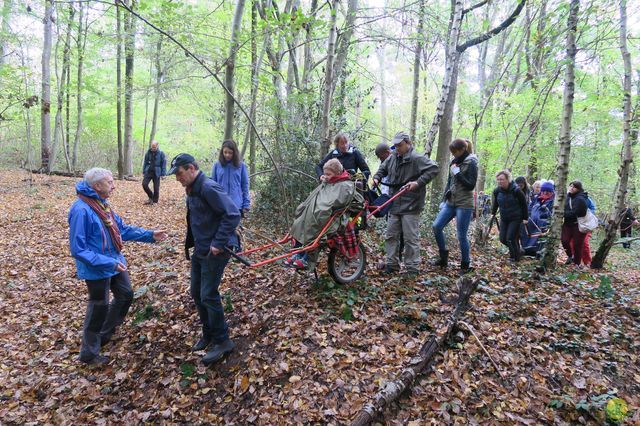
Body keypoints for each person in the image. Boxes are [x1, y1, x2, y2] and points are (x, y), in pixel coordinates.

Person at [69, 168, 167, 365]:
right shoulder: (81, 210)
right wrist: (108, 263)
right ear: (97, 186)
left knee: (125, 295)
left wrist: (150, 235)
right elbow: (78, 249)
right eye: (110, 182)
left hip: (115, 262)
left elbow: (121, 229)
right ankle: (88, 354)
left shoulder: (101, 204)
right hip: (97, 267)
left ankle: (104, 335)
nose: (114, 185)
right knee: (99, 306)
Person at [169, 153, 241, 366]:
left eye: (179, 174)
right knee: (196, 292)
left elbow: (232, 214)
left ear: (191, 168)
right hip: (201, 249)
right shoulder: (191, 189)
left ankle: (223, 341)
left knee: (208, 294)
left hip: (216, 249)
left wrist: (218, 243)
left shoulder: (208, 187)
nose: (177, 179)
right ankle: (209, 333)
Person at [373, 131, 439, 276]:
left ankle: (412, 268)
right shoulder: (392, 158)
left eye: (400, 145)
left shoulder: (417, 158)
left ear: (408, 144)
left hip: (411, 203)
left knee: (410, 238)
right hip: (394, 202)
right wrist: (377, 178)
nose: (397, 148)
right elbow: (383, 168)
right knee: (391, 235)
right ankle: (392, 265)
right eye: (395, 145)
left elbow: (434, 169)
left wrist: (418, 183)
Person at [285, 159, 364, 270]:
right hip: (317, 212)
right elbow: (321, 195)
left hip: (332, 217)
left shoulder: (345, 185)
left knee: (313, 226)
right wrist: (325, 181)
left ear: (337, 173)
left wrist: (322, 206)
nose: (325, 176)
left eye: (328, 174)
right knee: (300, 222)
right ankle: (298, 253)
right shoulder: (331, 181)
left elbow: (336, 202)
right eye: (324, 173)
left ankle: (307, 258)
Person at [431, 138, 478, 273]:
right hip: (450, 202)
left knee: (461, 235)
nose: (453, 154)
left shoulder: (472, 162)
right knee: (436, 226)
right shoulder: (454, 162)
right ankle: (443, 257)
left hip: (464, 203)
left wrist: (458, 174)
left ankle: (465, 265)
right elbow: (449, 182)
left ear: (463, 149)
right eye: (452, 152)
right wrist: (443, 199)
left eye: (455, 151)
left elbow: (471, 185)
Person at [491, 170, 529, 262]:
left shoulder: (516, 190)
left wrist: (525, 218)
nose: (500, 181)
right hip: (504, 218)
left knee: (510, 238)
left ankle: (515, 258)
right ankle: (518, 251)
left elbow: (524, 204)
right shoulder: (497, 191)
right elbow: (496, 203)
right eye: (498, 179)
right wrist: (493, 213)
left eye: (502, 179)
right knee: (503, 239)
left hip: (516, 218)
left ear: (508, 179)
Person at [211, 139, 250, 217]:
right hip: (221, 204)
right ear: (222, 152)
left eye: (230, 153)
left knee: (234, 228)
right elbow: (213, 186)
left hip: (236, 205)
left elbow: (245, 185)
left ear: (234, 153)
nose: (227, 155)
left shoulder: (241, 166)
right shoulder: (217, 165)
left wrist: (246, 204)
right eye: (225, 152)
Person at [521, 181, 555, 257]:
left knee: (538, 239)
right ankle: (526, 250)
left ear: (552, 192)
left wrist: (546, 213)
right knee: (526, 235)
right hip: (531, 222)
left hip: (543, 225)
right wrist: (527, 216)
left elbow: (553, 215)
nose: (545, 193)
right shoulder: (536, 198)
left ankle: (536, 253)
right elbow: (529, 208)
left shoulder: (553, 201)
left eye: (548, 191)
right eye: (544, 191)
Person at [561, 180, 589, 266]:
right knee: (564, 240)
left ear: (578, 188)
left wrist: (563, 214)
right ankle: (570, 256)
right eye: (571, 186)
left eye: (574, 187)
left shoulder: (581, 198)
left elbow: (578, 212)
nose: (572, 188)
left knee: (577, 245)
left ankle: (577, 263)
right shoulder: (567, 197)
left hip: (578, 224)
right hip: (567, 224)